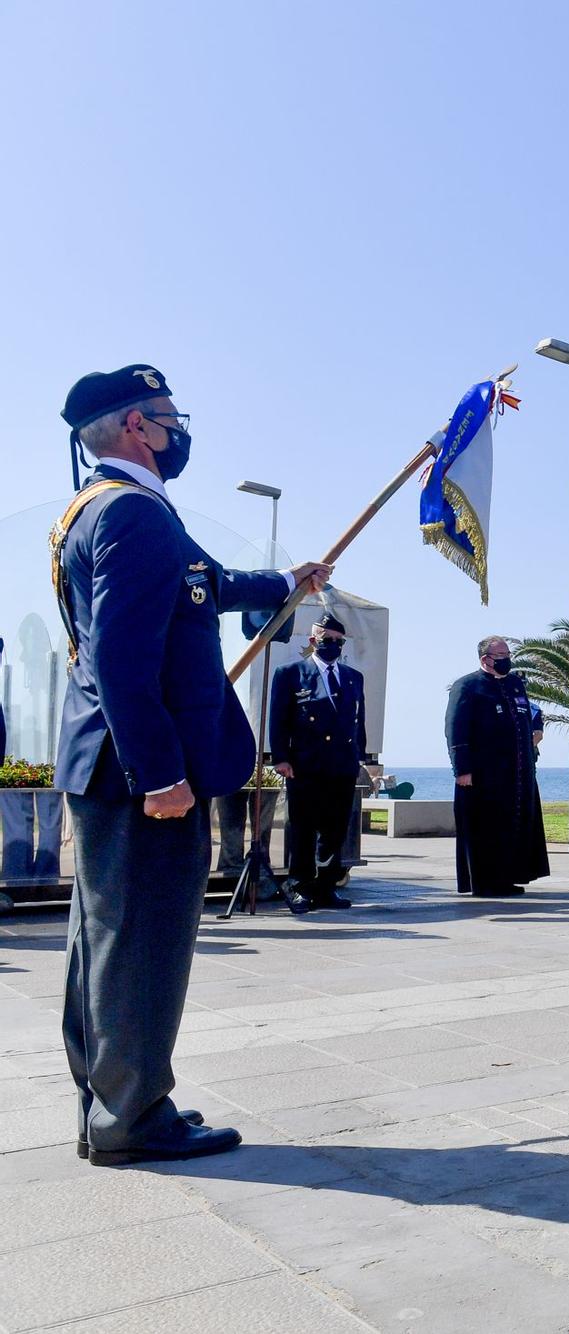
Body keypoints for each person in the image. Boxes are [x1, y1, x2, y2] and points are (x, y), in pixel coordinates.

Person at [53, 364, 329, 1165]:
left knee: (105, 946)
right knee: (141, 946)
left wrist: (285, 580)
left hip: (105, 767)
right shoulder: (135, 515)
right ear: (140, 425)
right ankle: (133, 1120)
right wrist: (159, 776)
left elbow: (203, 584)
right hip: (142, 775)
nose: (181, 431)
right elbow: (120, 659)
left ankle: (111, 1104)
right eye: (172, 418)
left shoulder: (109, 508)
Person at [269, 614, 368, 912]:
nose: (334, 645)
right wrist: (281, 758)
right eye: (328, 640)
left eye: (339, 641)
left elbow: (357, 722)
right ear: (313, 641)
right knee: (303, 828)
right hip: (305, 764)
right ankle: (299, 884)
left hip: (341, 764)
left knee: (335, 828)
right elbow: (279, 719)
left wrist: (361, 759)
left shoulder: (353, 677)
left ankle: (326, 886)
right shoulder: (291, 673)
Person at [445, 636, 549, 897]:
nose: (507, 660)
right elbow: (455, 730)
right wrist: (462, 770)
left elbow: (525, 721)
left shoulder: (515, 684)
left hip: (518, 773)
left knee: (513, 826)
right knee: (485, 829)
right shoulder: (467, 686)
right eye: (501, 656)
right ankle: (484, 883)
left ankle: (508, 878)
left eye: (507, 654)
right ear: (485, 659)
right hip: (483, 775)